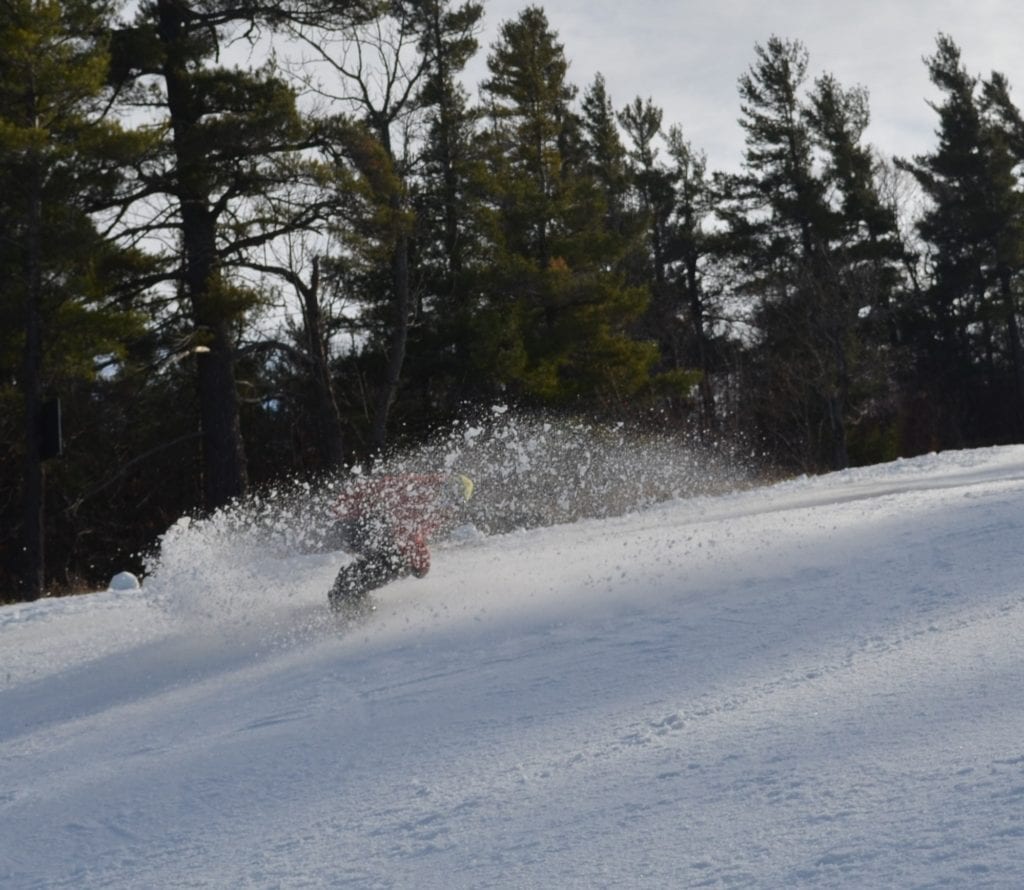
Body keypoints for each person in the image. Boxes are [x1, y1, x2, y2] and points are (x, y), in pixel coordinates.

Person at [328, 472, 474, 612]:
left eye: (456, 503)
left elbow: (414, 534)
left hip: (362, 520)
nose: (449, 505)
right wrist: (421, 563)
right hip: (351, 519)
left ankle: (351, 587)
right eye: (448, 497)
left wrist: (419, 561)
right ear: (443, 487)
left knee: (398, 558)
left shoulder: (436, 506)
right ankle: (346, 592)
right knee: (397, 559)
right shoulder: (420, 491)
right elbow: (404, 530)